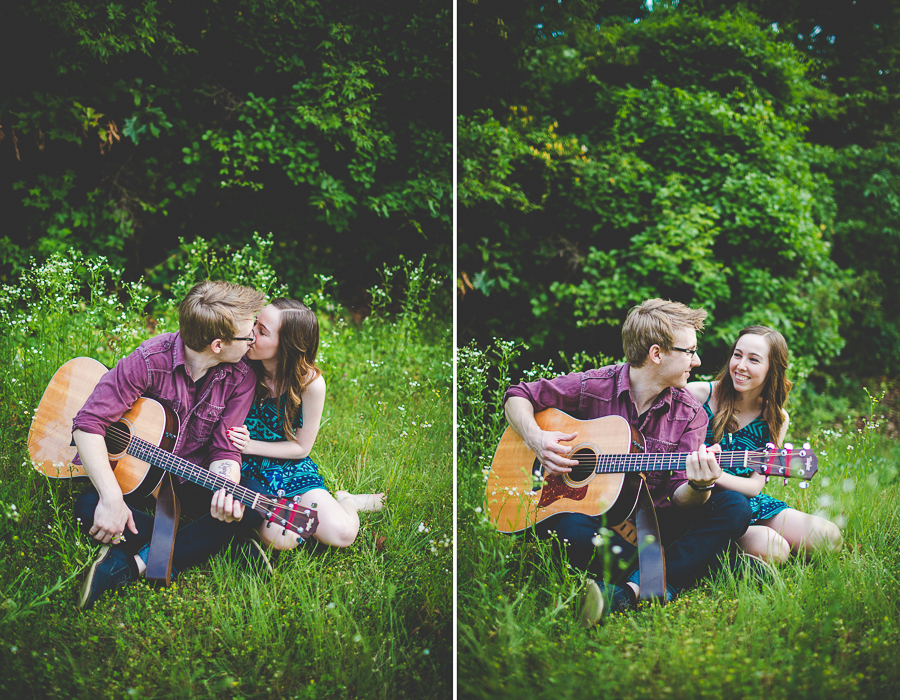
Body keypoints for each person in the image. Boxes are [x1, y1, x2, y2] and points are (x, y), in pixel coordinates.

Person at [503, 298, 752, 627]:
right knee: (569, 529)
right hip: (595, 521)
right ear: (656, 354)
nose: (698, 360)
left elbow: (682, 501)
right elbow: (518, 395)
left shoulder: (689, 413)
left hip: (656, 525)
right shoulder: (595, 387)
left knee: (735, 506)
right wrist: (538, 439)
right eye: (689, 351)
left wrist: (699, 484)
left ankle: (625, 594)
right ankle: (699, 566)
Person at [73, 280, 268, 610]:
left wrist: (224, 487)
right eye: (248, 335)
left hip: (190, 478)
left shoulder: (241, 375)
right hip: (135, 479)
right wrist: (111, 498)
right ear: (218, 344)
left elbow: (225, 448)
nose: (252, 342)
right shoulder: (149, 360)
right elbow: (88, 424)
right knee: (88, 507)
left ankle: (127, 565)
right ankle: (222, 543)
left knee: (248, 500)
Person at [226, 298, 383, 550]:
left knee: (341, 534)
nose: (250, 333)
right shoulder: (240, 366)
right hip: (246, 471)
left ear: (287, 345)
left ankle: (348, 501)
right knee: (283, 539)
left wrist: (249, 445)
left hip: (291, 467)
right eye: (254, 324)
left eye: (261, 331)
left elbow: (301, 448)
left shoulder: (310, 384)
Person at [686, 325, 842, 564]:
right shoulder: (698, 395)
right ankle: (707, 549)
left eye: (754, 360)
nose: (741, 366)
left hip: (747, 502)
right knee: (775, 549)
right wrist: (702, 478)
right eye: (737, 355)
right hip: (698, 501)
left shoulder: (775, 417)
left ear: (772, 368)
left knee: (828, 537)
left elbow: (754, 486)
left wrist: (714, 474)